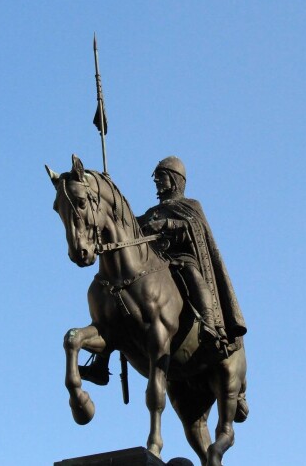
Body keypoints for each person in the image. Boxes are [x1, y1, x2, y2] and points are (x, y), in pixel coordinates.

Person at [79, 156, 247, 385]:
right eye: (156, 178)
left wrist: (168, 225)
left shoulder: (191, 206)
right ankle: (100, 363)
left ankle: (211, 327)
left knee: (194, 277)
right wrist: (111, 199)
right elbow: (127, 226)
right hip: (155, 264)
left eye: (162, 177)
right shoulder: (151, 211)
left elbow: (194, 227)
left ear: (175, 180)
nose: (157, 181)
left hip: (183, 258)